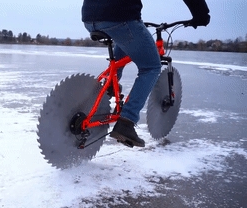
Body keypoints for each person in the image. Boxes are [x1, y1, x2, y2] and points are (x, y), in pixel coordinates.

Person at [81, 0, 210, 147]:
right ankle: (126, 122)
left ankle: (106, 90)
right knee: (151, 66)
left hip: (89, 17)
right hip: (119, 17)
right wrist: (201, 14)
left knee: (121, 53)